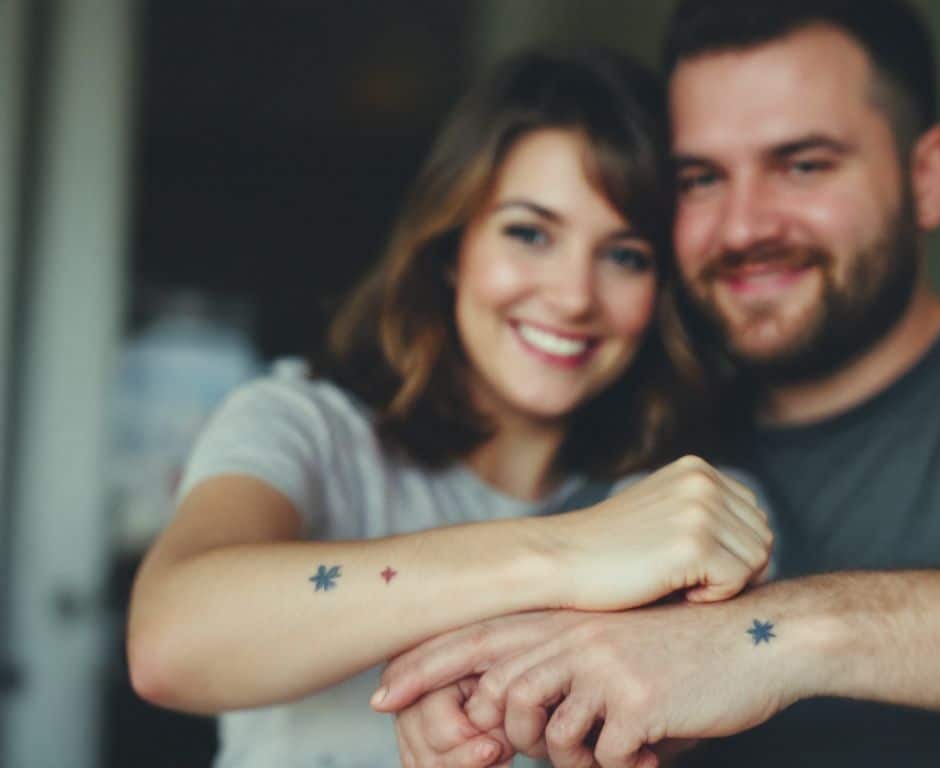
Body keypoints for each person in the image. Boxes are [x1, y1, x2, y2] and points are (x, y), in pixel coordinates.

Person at [372, 1, 940, 766]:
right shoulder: (635, 412)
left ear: (927, 178)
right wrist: (479, 699)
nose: (744, 226)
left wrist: (769, 642)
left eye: (803, 165)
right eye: (700, 179)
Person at [125, 47, 775, 768]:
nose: (572, 296)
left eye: (625, 255)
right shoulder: (301, 426)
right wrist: (568, 551)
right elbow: (168, 644)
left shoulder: (675, 505)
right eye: (529, 233)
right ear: (451, 247)